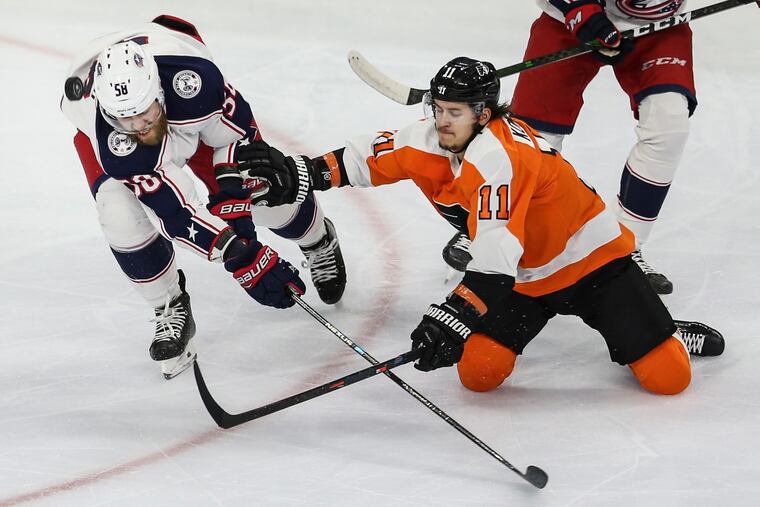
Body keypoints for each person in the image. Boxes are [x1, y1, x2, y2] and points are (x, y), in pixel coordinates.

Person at [240, 56, 724, 396]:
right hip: (527, 280)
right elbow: (364, 157)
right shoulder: (432, 138)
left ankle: (661, 329)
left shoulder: (501, 159)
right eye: (438, 109)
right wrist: (299, 174)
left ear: (484, 113)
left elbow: (493, 256)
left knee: (668, 379)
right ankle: (642, 324)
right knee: (479, 374)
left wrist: (453, 316)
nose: (442, 122)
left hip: (595, 264)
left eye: (455, 113)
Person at [60, 15, 346, 379]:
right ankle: (169, 305)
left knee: (261, 181)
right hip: (127, 150)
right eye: (126, 119)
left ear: (159, 93)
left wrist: (238, 207)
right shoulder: (115, 139)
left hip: (185, 112)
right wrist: (239, 253)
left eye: (144, 113)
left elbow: (238, 140)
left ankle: (318, 239)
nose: (139, 127)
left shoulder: (195, 84)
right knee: (119, 213)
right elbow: (177, 212)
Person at [450, 0, 693, 296]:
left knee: (669, 124)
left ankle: (623, 250)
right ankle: (488, 228)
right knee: (533, 139)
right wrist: (579, 9)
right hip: (568, 22)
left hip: (659, 27)